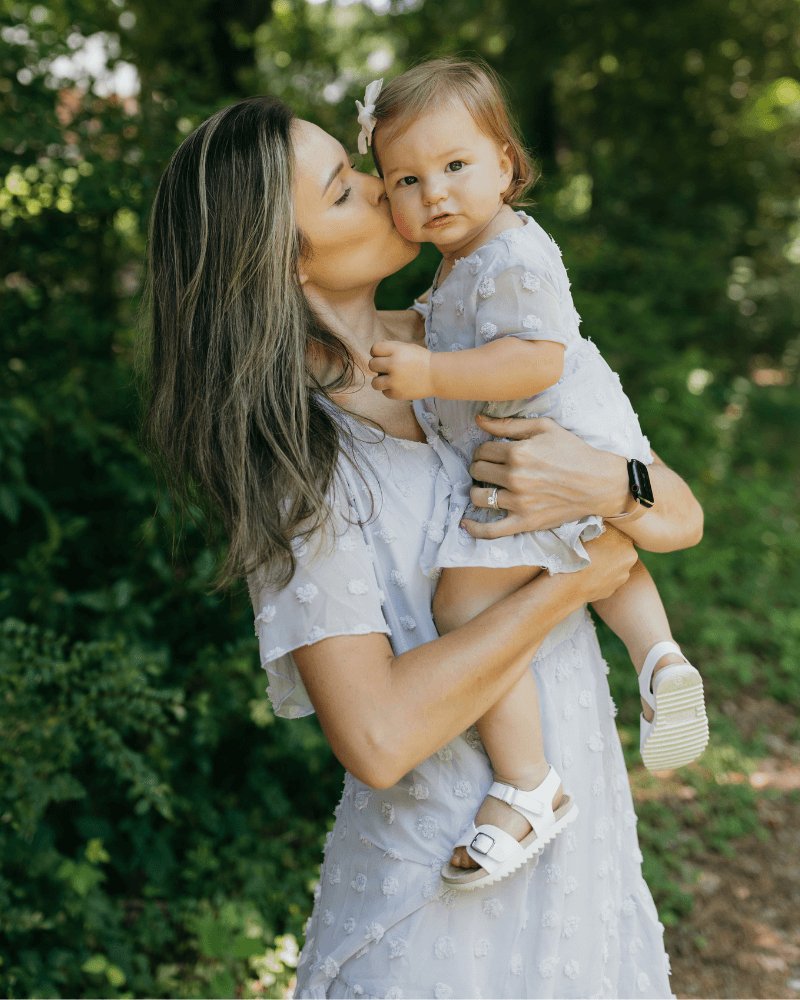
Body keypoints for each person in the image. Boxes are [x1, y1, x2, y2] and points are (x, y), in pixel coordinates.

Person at [145, 93, 703, 998]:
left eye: (360, 168)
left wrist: (606, 488)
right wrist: (575, 580)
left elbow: (676, 516)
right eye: (343, 190)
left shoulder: (477, 338)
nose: (382, 188)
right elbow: (376, 735)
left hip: (585, 865)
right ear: (284, 265)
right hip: (442, 897)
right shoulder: (302, 460)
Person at [359, 59, 709, 889]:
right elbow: (438, 324)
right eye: (405, 178)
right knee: (602, 542)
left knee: (464, 603)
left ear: (508, 166)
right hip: (566, 441)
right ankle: (660, 661)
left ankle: (529, 784)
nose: (434, 192)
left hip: (549, 438)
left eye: (454, 167)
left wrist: (432, 376)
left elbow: (529, 357)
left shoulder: (514, 253)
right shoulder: (463, 263)